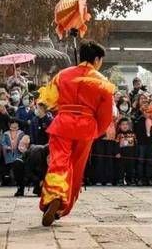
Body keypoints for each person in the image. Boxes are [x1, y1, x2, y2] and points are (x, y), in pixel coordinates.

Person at [38, 40, 115, 226]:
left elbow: (48, 100)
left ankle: (55, 195)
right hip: (86, 126)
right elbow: (106, 115)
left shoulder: (62, 75)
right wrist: (97, 131)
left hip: (62, 123)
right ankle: (62, 208)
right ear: (97, 59)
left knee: (59, 162)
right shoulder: (103, 82)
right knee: (76, 168)